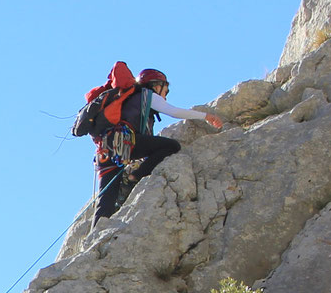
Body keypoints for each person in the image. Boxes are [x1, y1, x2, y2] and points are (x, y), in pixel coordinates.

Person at [78, 68, 223, 222]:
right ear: (156, 85)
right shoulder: (148, 95)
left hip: (106, 151)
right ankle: (135, 177)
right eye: (165, 90)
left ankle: (96, 237)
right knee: (171, 146)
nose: (165, 96)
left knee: (105, 200)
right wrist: (205, 116)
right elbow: (173, 112)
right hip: (127, 143)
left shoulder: (127, 99)